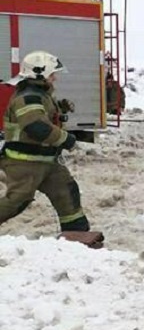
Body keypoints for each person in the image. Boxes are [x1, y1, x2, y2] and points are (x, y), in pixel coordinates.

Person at [0, 51, 90, 233]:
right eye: (51, 74)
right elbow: (36, 127)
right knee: (17, 201)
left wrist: (60, 108)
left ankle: (77, 235)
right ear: (38, 74)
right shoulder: (28, 97)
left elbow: (44, 115)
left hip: (46, 160)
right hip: (24, 162)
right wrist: (67, 139)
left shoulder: (41, 95)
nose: (55, 78)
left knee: (66, 192)